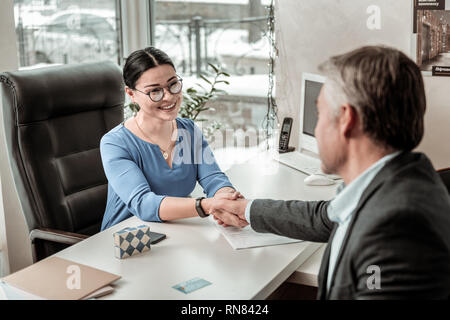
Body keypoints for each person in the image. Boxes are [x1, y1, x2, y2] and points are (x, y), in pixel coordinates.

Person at [210, 45, 450, 299]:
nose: (317, 127)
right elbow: (325, 216)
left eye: (320, 113)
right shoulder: (397, 181)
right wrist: (245, 208)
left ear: (346, 119)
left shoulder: (396, 229)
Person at [100, 47, 246, 230]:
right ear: (131, 94)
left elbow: (213, 177)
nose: (169, 97)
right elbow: (144, 204)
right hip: (126, 241)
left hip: (175, 232)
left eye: (173, 84)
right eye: (155, 91)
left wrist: (227, 200)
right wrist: (208, 205)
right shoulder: (115, 143)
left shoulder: (188, 130)